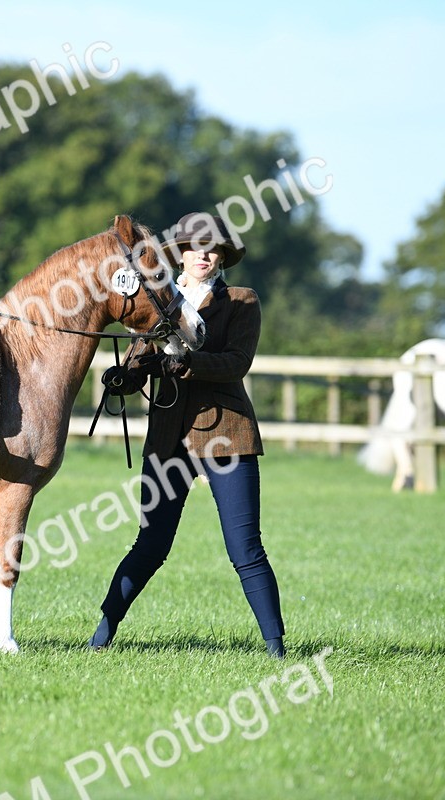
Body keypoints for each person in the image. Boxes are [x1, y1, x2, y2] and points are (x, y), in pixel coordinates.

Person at [88, 212, 286, 659]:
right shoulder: (158, 297)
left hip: (226, 436)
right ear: (181, 252)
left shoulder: (241, 300)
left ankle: (276, 647)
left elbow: (237, 362)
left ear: (221, 257)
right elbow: (142, 360)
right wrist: (126, 377)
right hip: (167, 441)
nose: (203, 254)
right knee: (151, 546)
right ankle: (102, 634)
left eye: (212, 248)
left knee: (245, 549)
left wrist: (186, 364)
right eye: (195, 247)